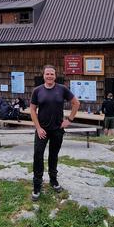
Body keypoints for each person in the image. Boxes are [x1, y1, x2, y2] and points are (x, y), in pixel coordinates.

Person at [30, 65, 80, 201]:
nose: (49, 76)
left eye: (52, 74)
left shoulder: (62, 89)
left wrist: (69, 120)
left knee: (53, 155)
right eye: (47, 74)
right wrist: (38, 128)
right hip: (42, 130)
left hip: (57, 130)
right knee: (38, 156)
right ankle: (37, 185)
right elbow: (33, 110)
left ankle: (53, 181)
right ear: (43, 75)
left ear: (55, 76)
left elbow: (76, 103)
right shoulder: (37, 91)